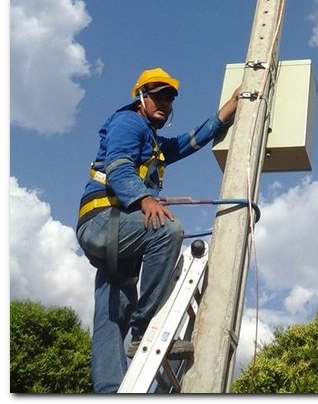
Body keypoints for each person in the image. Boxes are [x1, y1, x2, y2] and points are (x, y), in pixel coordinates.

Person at [76, 66, 241, 393]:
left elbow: (187, 143)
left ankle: (110, 391)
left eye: (169, 98)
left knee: (110, 318)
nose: (164, 103)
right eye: (157, 96)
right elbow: (119, 165)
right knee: (166, 231)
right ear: (141, 98)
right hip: (104, 221)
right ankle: (143, 332)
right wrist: (143, 199)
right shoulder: (128, 122)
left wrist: (227, 111)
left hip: (111, 232)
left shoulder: (153, 142)